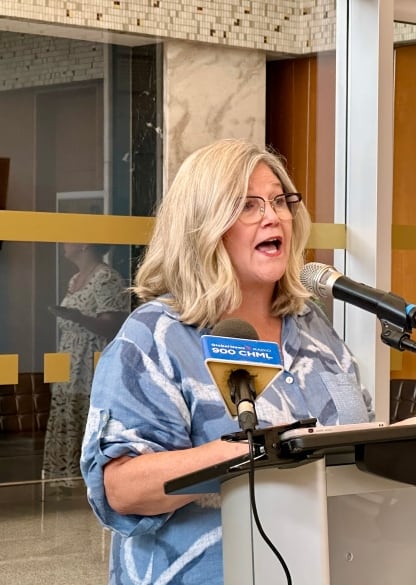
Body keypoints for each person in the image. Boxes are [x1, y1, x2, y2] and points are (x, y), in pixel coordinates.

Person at [80, 138, 374, 585]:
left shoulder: (312, 326)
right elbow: (121, 488)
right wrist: (240, 455)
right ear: (203, 224)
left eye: (280, 201)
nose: (273, 216)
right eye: (249, 205)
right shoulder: (157, 336)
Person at [43, 243, 127, 487]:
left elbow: (113, 325)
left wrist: (77, 317)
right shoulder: (74, 279)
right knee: (67, 414)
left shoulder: (106, 277)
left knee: (85, 416)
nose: (63, 245)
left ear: (84, 244)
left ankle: (89, 482)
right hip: (70, 360)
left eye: (69, 240)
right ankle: (65, 479)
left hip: (90, 361)